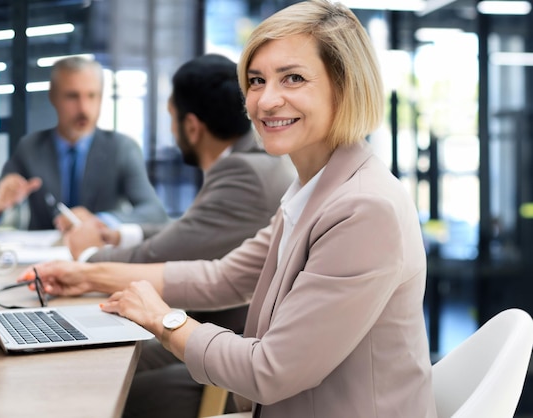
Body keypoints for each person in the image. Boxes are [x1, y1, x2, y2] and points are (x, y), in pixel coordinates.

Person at [24, 1, 437, 416]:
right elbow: (222, 277)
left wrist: (165, 320)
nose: (266, 100)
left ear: (345, 88)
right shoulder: (315, 188)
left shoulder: (363, 209)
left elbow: (269, 371)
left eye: (293, 78)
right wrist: (86, 275)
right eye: (256, 81)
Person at [29, 53, 295, 418]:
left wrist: (86, 259)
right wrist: (111, 239)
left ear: (191, 125)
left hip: (228, 359)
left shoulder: (245, 172)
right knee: (86, 361)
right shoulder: (255, 164)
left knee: (92, 387)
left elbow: (169, 255)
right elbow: (192, 235)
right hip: (213, 334)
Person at [0, 56, 168, 231]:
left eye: (92, 96)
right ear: (53, 97)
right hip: (42, 262)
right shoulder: (30, 148)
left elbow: (155, 214)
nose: (83, 108)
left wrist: (100, 221)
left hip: (99, 256)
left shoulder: (121, 148)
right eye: (72, 96)